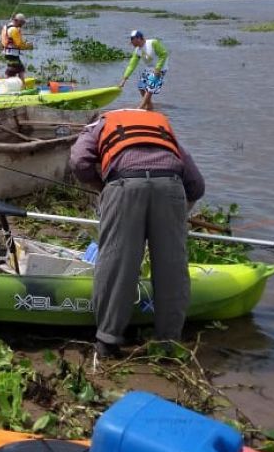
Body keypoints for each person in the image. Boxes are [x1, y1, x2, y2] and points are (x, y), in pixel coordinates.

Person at [68, 108, 204, 359]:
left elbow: (78, 161)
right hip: (171, 187)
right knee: (172, 266)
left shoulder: (99, 125)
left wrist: (102, 186)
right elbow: (196, 185)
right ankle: (169, 342)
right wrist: (177, 211)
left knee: (117, 262)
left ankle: (108, 341)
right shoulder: (161, 128)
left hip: (124, 186)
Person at [118, 30, 169, 111]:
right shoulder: (137, 50)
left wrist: (158, 68)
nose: (131, 43)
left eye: (132, 40)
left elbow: (164, 54)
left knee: (150, 88)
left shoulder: (153, 43)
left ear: (138, 38)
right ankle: (149, 107)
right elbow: (131, 65)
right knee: (141, 87)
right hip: (149, 68)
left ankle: (140, 107)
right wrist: (124, 79)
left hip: (160, 68)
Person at [0, 13, 33, 79]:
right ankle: (8, 84)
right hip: (12, 54)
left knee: (21, 69)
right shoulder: (14, 30)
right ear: (18, 21)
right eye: (22, 22)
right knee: (11, 70)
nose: (22, 24)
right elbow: (19, 44)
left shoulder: (6, 26)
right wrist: (28, 45)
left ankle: (22, 85)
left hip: (7, 52)